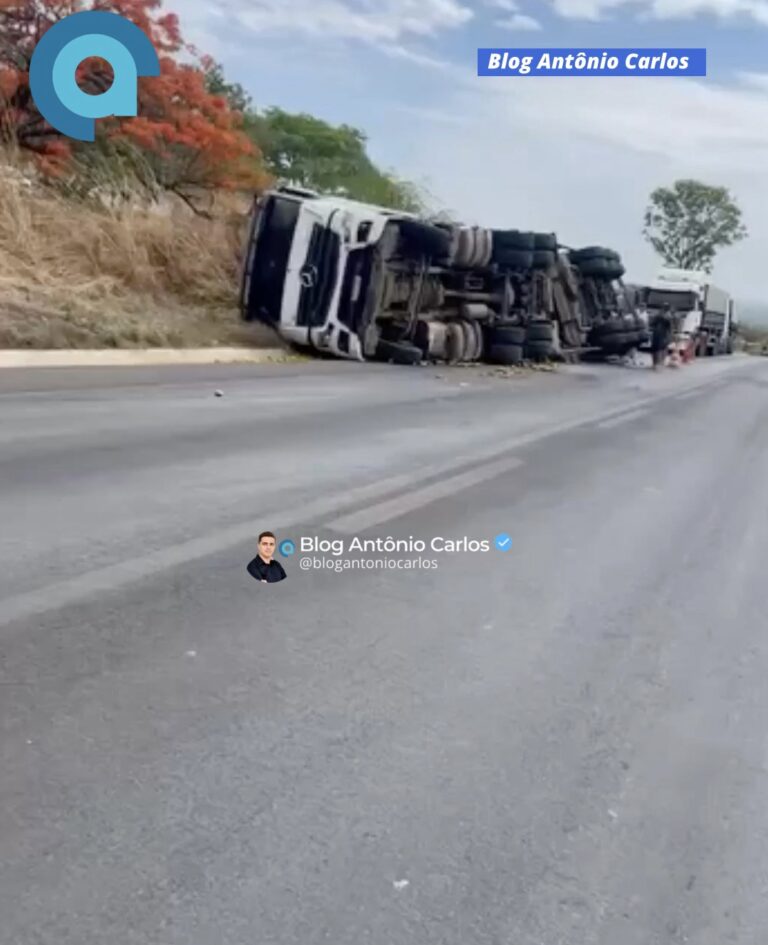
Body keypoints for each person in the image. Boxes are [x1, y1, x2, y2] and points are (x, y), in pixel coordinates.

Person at [650, 304, 674, 371]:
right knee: (656, 348)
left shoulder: (667, 316)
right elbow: (652, 323)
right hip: (658, 333)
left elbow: (669, 326)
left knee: (660, 348)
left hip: (662, 334)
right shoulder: (661, 315)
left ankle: (658, 363)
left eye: (665, 308)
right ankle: (656, 363)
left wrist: (670, 334)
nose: (664, 309)